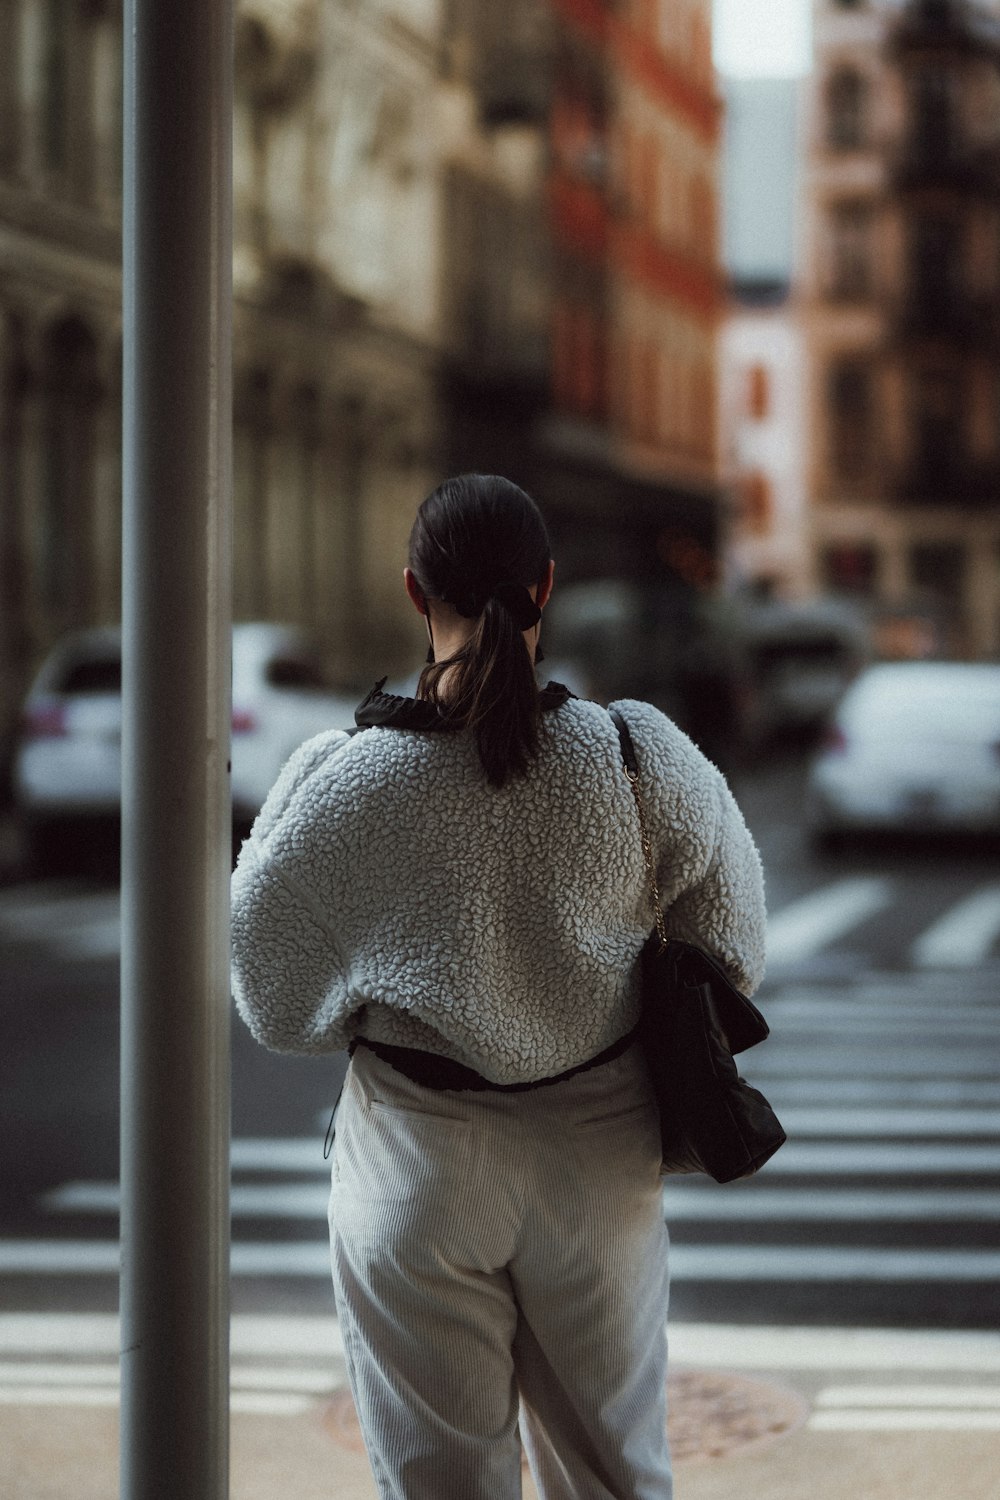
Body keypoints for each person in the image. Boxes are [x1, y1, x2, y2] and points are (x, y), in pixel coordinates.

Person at [231, 473, 767, 1500]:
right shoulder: (634, 754)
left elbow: (271, 1000)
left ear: (410, 589)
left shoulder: (335, 777)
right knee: (613, 1473)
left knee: (437, 1483)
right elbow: (732, 947)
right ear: (547, 588)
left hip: (412, 1160)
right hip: (597, 1159)